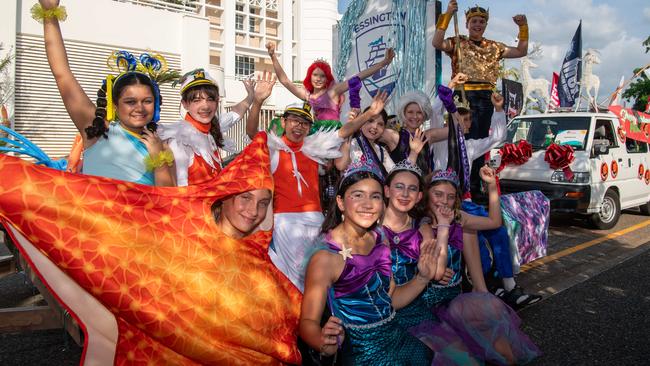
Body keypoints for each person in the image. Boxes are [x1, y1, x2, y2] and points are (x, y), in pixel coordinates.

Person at [0, 133, 304, 364]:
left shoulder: (260, 260)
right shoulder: (184, 233)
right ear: (224, 196)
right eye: (245, 198)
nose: (253, 210)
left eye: (263, 203)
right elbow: (92, 211)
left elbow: (289, 313)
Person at [246, 90, 389, 292]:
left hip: (316, 222)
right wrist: (258, 100)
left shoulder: (314, 150)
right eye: (294, 120)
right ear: (284, 123)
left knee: (318, 278)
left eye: (304, 122)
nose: (299, 126)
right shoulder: (273, 149)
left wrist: (369, 114)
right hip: (285, 223)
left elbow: (344, 132)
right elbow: (253, 133)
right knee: (292, 283)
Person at [299, 160, 440, 365]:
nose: (367, 204)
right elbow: (307, 322)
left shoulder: (380, 239)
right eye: (357, 195)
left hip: (397, 338)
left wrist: (422, 278)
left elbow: (390, 299)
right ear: (340, 202)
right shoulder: (325, 258)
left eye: (375, 196)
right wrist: (322, 341)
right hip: (362, 354)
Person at [35, 0, 175, 186]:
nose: (140, 108)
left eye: (147, 101)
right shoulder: (98, 131)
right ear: (115, 105)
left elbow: (171, 204)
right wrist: (50, 14)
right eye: (130, 102)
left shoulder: (163, 147)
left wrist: (159, 160)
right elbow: (62, 74)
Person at [432, 78, 542, 309]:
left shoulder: (469, 146)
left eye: (467, 120)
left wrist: (499, 109)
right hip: (443, 205)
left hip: (466, 203)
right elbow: (435, 111)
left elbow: (497, 137)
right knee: (476, 239)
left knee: (498, 231)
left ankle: (510, 285)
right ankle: (488, 285)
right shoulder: (437, 143)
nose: (464, 124)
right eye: (460, 119)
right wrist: (450, 87)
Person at [432, 0, 528, 196]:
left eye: (481, 22)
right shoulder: (458, 42)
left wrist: (523, 28)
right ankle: (454, 184)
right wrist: (448, 15)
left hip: (485, 98)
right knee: (458, 140)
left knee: (480, 142)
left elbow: (521, 51)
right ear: (467, 24)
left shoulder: (494, 47)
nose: (477, 25)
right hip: (462, 95)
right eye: (474, 21)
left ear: (485, 25)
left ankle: (473, 188)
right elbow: (437, 43)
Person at [158, 69, 267, 186]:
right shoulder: (178, 139)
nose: (205, 106)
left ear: (217, 101)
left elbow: (235, 113)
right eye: (196, 100)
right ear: (184, 104)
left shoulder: (212, 127)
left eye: (210, 99)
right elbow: (178, 190)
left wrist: (252, 95)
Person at [382, 160, 452, 333]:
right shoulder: (370, 225)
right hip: (377, 312)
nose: (405, 194)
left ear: (419, 196)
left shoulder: (421, 228)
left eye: (412, 188)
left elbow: (437, 273)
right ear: (387, 191)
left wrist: (443, 226)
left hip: (412, 308)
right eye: (399, 186)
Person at [266, 42, 394, 130]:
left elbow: (359, 76)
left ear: (327, 79)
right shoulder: (308, 95)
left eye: (323, 76)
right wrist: (272, 56)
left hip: (333, 133)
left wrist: (383, 63)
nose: (318, 79)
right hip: (316, 131)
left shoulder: (333, 92)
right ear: (310, 76)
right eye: (315, 75)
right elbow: (285, 81)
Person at [335, 106, 427, 176]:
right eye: (370, 121)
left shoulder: (381, 151)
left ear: (384, 129)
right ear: (361, 123)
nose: (375, 126)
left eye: (380, 124)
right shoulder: (351, 143)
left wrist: (413, 153)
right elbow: (341, 165)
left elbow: (396, 177)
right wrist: (351, 127)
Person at [381, 90, 449, 175]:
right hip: (400, 186)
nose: (415, 116)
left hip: (423, 187)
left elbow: (458, 129)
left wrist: (451, 108)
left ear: (424, 114)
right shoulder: (393, 136)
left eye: (419, 112)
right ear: (403, 114)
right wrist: (374, 112)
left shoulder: (428, 136)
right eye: (410, 112)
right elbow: (366, 129)